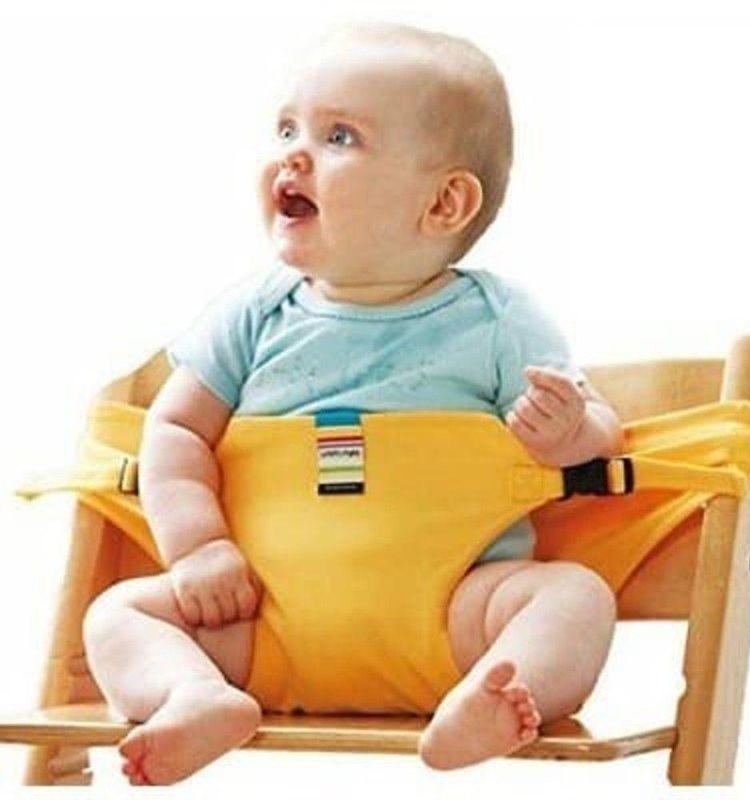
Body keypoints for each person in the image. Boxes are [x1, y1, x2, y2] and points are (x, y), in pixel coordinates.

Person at [82, 21, 622, 784]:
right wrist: (199, 548)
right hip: (259, 625)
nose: (293, 155)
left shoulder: (498, 322)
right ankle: (196, 694)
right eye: (287, 129)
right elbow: (174, 429)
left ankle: (493, 699)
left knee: (577, 598)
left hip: (452, 623)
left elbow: (600, 431)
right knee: (118, 615)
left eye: (339, 137)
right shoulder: (252, 316)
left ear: (444, 203)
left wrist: (568, 433)